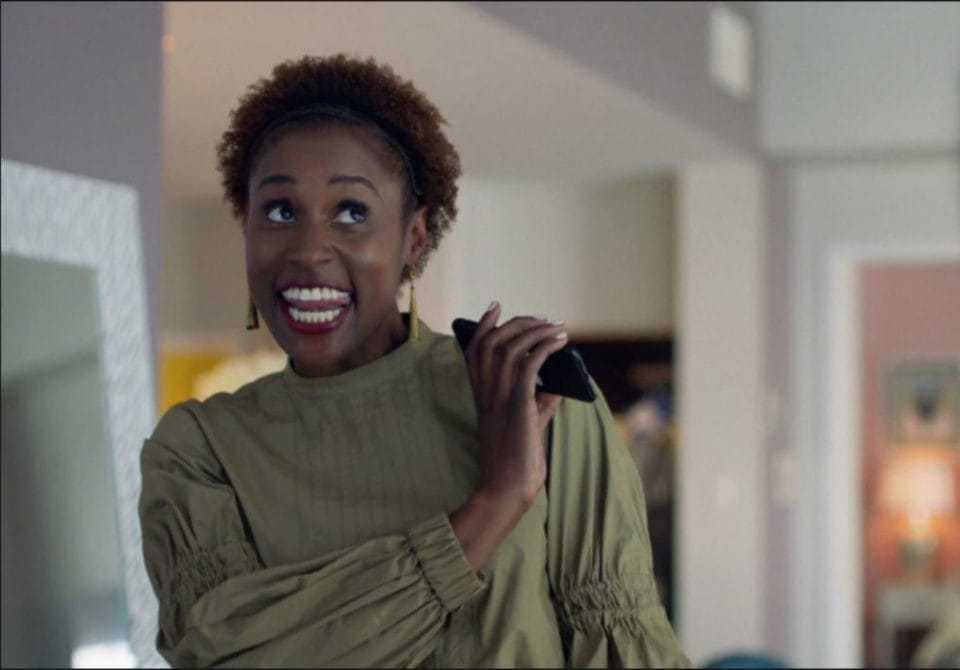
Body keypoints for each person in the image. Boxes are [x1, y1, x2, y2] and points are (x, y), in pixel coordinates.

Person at [139, 53, 689, 668]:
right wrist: (496, 503)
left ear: (415, 236)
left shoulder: (532, 394)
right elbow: (226, 655)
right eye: (280, 211)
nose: (309, 250)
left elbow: (621, 645)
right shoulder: (200, 452)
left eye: (351, 212)